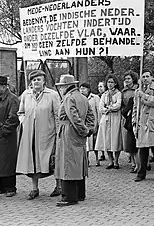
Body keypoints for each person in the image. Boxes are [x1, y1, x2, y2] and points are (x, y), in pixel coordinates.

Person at [16, 70, 61, 200]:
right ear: (31, 82)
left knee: (51, 160)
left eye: (39, 79)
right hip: (30, 135)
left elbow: (58, 115)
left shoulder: (52, 95)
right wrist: (24, 121)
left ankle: (58, 186)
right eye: (34, 80)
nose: (36, 82)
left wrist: (58, 132)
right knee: (32, 161)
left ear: (44, 81)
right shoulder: (26, 95)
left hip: (47, 134)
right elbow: (20, 112)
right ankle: (34, 188)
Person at [55, 75, 95, 207]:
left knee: (68, 164)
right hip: (78, 134)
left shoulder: (69, 98)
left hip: (68, 132)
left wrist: (83, 129)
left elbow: (73, 117)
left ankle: (69, 196)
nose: (61, 89)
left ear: (65, 86)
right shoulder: (83, 97)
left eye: (61, 87)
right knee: (78, 162)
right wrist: (88, 129)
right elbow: (90, 115)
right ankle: (80, 193)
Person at [95, 74, 123, 169]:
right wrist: (107, 109)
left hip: (115, 118)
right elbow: (100, 107)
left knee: (115, 139)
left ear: (115, 83)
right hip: (106, 118)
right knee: (107, 139)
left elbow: (118, 105)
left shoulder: (118, 93)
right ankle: (110, 160)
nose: (110, 84)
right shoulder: (104, 94)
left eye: (112, 82)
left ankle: (116, 160)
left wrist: (109, 108)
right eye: (108, 82)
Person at [121, 71, 139, 173]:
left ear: (133, 79)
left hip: (137, 116)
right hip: (128, 117)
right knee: (130, 142)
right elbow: (123, 105)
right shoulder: (123, 91)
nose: (127, 81)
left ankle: (142, 163)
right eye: (125, 79)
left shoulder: (138, 88)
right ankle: (133, 163)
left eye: (129, 78)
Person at [80, 82, 101, 166]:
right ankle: (87, 160)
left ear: (88, 89)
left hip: (93, 122)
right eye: (81, 88)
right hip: (84, 124)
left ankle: (97, 158)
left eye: (83, 88)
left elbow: (98, 111)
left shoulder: (95, 97)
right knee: (86, 144)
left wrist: (98, 123)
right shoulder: (80, 98)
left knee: (95, 142)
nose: (82, 90)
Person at [97, 81, 107, 161]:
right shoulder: (97, 97)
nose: (99, 88)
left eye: (101, 86)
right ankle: (102, 153)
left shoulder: (106, 95)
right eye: (98, 87)